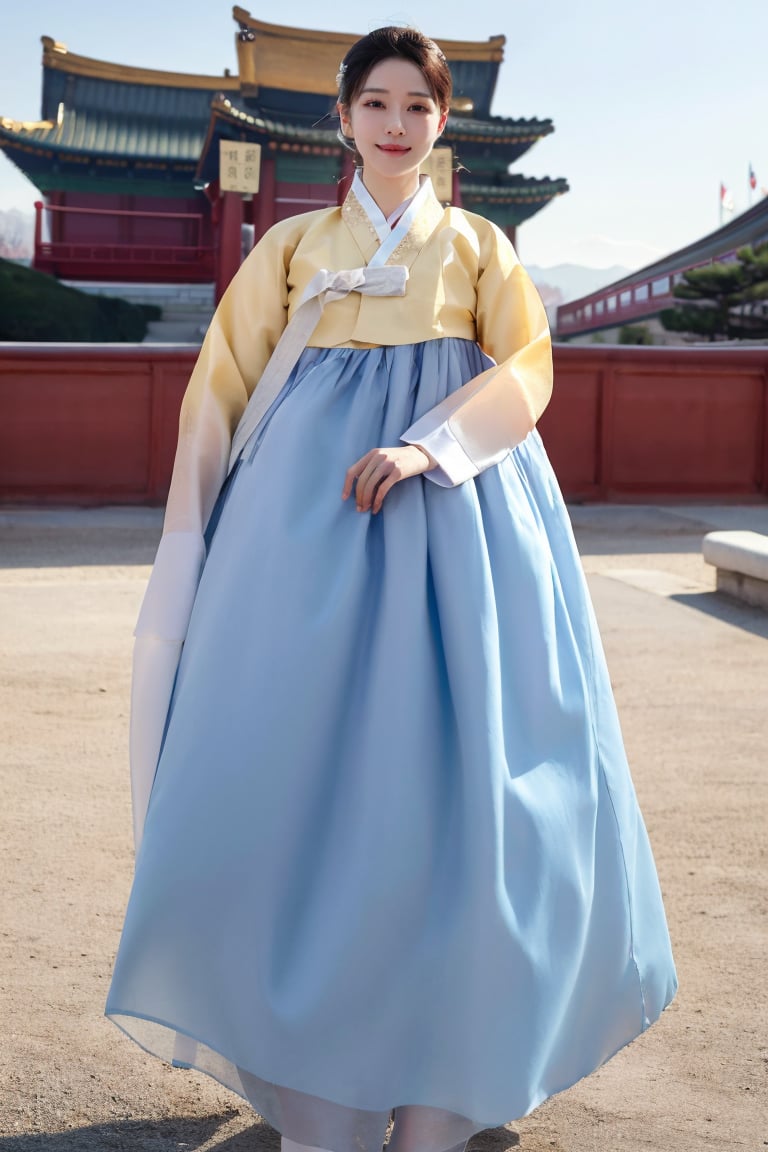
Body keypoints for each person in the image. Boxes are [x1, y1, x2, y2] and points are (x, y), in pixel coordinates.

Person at [106, 26, 677, 1152]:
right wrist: (201, 532)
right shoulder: (290, 247)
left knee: (476, 777)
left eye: (419, 106)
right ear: (343, 119)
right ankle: (318, 1085)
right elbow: (222, 386)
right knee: (286, 762)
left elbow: (526, 366)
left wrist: (432, 448)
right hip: (299, 529)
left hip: (457, 525)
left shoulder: (477, 246)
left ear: (443, 124)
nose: (397, 124)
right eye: (377, 103)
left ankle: (449, 1081)